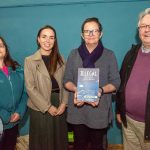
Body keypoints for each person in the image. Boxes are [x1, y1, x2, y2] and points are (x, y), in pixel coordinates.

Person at [64, 17, 120, 150]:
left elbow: (116, 82)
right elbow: (66, 80)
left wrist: (99, 90)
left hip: (98, 110)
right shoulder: (73, 54)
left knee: (97, 145)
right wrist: (77, 89)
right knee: (78, 145)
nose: (90, 34)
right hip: (78, 109)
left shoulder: (109, 55)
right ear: (81, 35)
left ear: (101, 33)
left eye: (94, 31)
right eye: (87, 31)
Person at [24, 25, 68, 150]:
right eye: (44, 37)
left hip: (59, 104)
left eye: (51, 37)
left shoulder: (61, 60)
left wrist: (64, 103)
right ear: (38, 39)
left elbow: (66, 83)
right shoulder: (29, 61)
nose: (47, 41)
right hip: (40, 106)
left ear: (55, 41)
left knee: (59, 140)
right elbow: (30, 87)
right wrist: (47, 107)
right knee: (42, 142)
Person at [116, 8, 150, 150]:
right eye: (143, 26)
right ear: (138, 30)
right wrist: (119, 110)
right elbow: (121, 83)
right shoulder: (131, 53)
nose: (147, 30)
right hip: (128, 122)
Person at [0, 36, 27, 150]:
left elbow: (25, 94)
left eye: (1, 45)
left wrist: (19, 112)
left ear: (5, 49)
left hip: (14, 122)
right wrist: (5, 115)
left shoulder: (17, 69)